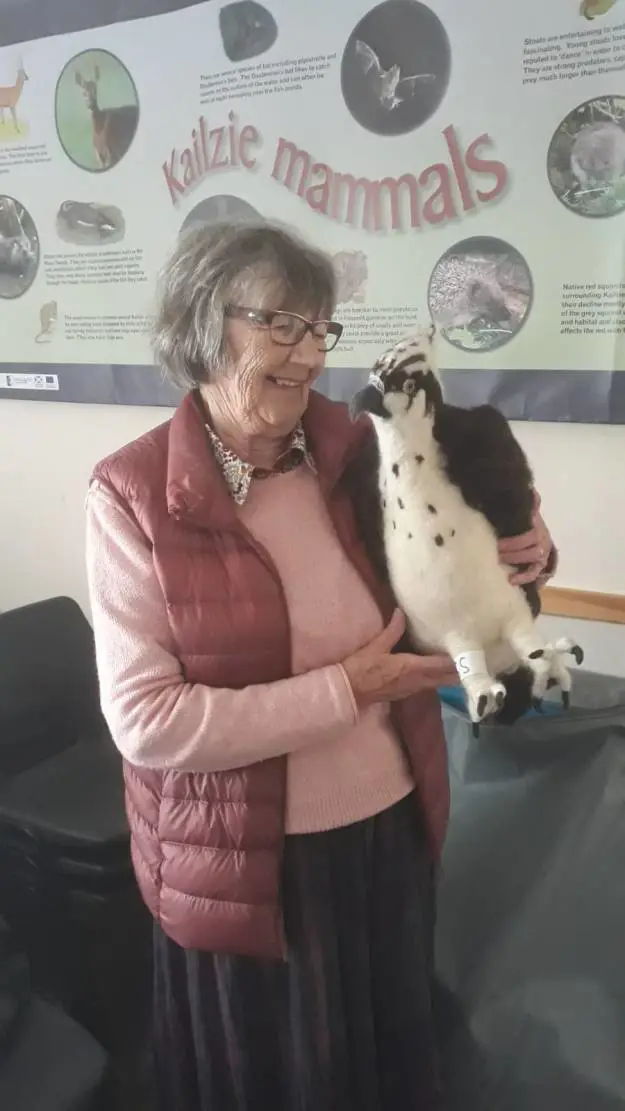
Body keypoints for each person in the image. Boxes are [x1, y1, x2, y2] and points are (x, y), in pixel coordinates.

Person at [85, 222, 557, 1111]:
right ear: (200, 323)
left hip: (388, 827)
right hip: (246, 869)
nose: (308, 355)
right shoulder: (134, 494)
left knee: (381, 1063)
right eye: (281, 325)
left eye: (319, 330)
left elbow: (473, 514)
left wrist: (529, 548)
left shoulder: (352, 448)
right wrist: (347, 691)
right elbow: (148, 722)